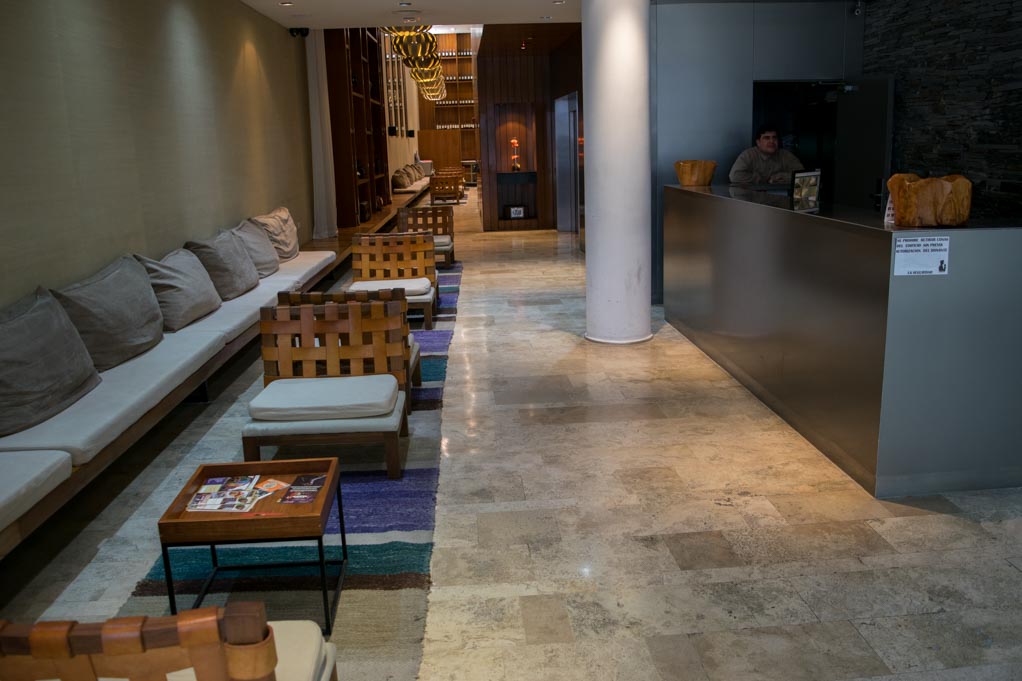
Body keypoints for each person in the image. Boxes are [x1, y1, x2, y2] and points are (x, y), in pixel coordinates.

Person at [728, 125, 804, 185]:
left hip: (779, 197)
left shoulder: (786, 155)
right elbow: (734, 176)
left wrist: (780, 177)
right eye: (767, 138)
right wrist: (761, 179)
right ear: (758, 142)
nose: (771, 141)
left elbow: (803, 176)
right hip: (752, 197)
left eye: (774, 138)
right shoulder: (748, 155)